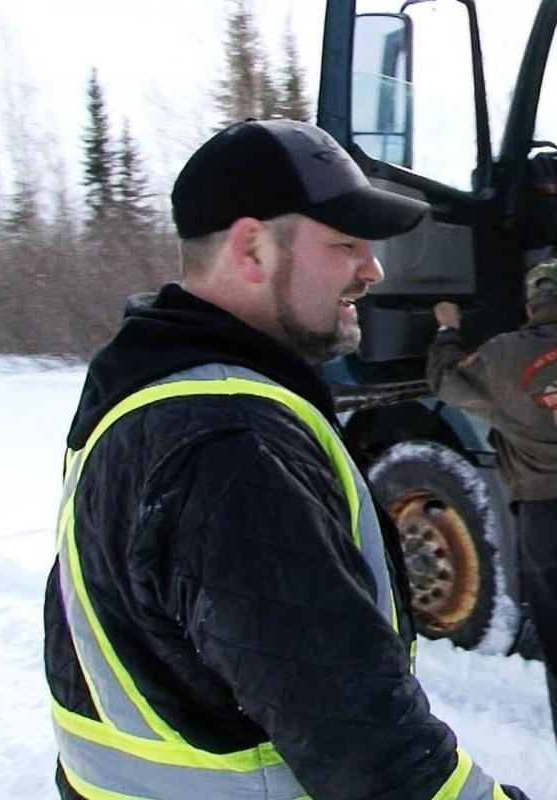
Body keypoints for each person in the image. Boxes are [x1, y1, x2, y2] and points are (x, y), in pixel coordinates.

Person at [44, 118, 531, 800]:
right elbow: (375, 760)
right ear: (252, 249)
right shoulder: (231, 446)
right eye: (345, 244)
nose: (373, 270)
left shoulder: (144, 389)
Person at [427, 260, 557, 745]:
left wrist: (447, 329)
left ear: (530, 305)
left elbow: (445, 379)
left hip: (546, 516)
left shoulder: (503, 356)